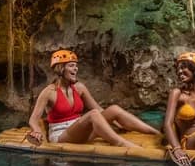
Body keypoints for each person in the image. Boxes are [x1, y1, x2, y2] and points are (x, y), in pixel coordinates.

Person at [26, 50, 161, 148]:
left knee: (113, 109)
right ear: (61, 68)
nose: (76, 69)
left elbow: (98, 109)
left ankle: (156, 133)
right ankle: (123, 144)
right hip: (62, 136)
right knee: (93, 115)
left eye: (76, 65)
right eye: (71, 65)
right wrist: (37, 131)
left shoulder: (79, 88)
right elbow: (33, 119)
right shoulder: (49, 92)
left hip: (81, 132)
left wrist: (116, 123)